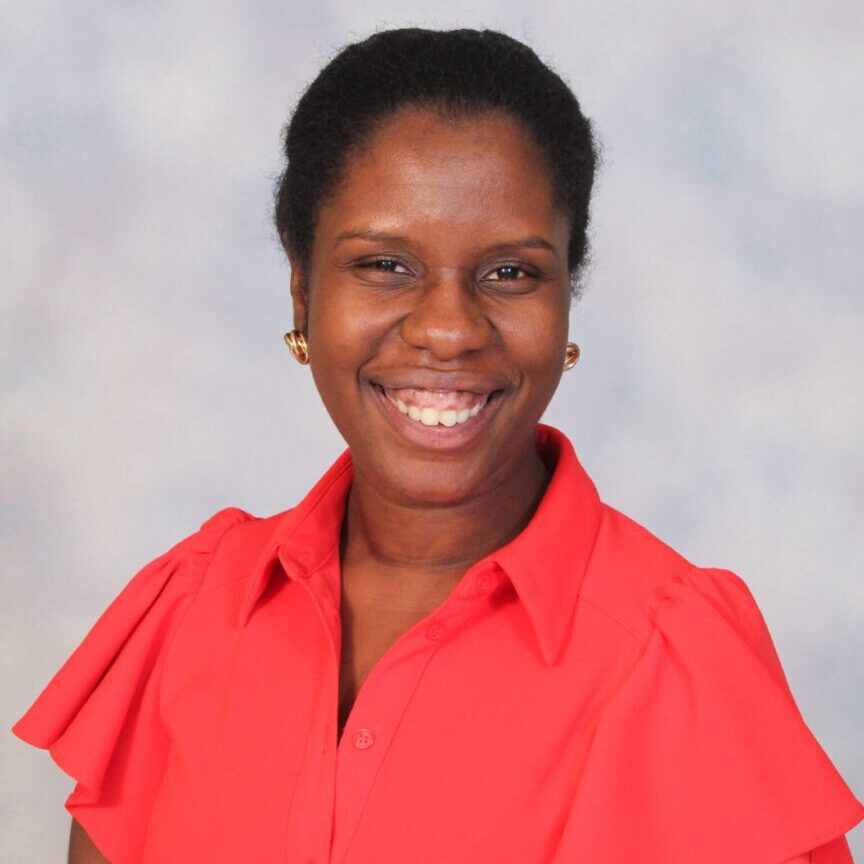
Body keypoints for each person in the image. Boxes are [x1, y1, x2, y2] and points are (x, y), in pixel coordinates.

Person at [12, 27, 863, 864]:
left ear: (568, 296)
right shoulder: (194, 610)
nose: (449, 330)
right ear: (303, 289)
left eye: (509, 273)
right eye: (385, 264)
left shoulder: (674, 664)